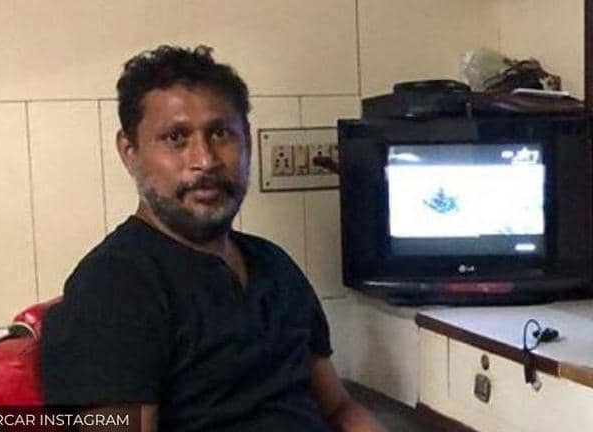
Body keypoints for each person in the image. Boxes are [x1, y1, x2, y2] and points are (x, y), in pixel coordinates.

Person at [41, 45, 387, 432]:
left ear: (247, 141)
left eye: (220, 133)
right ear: (130, 152)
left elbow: (338, 408)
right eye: (176, 137)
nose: (205, 160)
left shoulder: (273, 264)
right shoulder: (114, 286)